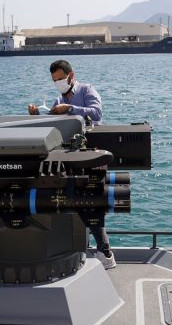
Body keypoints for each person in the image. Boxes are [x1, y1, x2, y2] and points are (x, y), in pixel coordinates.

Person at [27, 60, 115, 269]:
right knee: (70, 200)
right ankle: (76, 249)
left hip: (92, 155)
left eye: (60, 78)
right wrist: (36, 116)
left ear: (70, 75)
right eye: (54, 80)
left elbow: (97, 113)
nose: (58, 83)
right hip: (69, 156)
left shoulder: (86, 89)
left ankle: (106, 253)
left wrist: (72, 108)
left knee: (93, 204)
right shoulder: (58, 99)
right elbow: (51, 126)